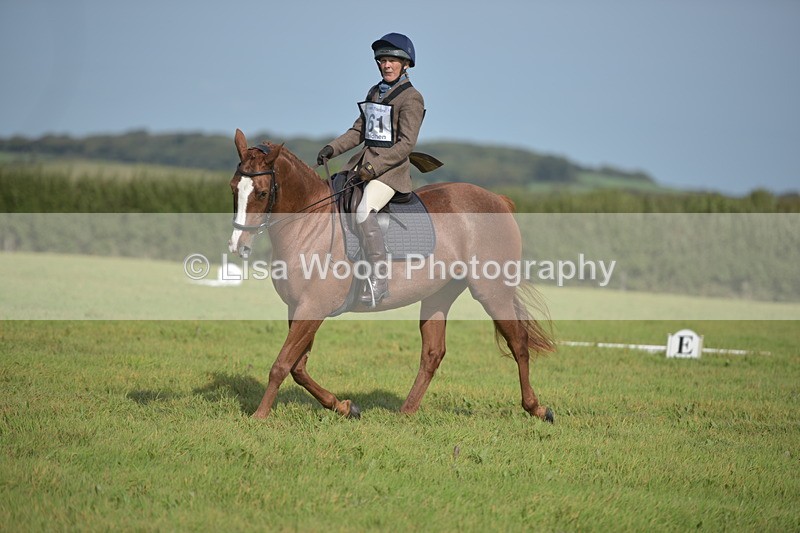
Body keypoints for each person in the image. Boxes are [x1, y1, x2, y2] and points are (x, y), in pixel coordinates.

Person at [317, 32, 425, 307]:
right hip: (362, 166)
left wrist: (374, 166)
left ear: (405, 64)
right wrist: (332, 148)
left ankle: (379, 278)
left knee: (364, 210)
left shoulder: (412, 98)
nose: (386, 65)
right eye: (382, 60)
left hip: (390, 172)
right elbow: (359, 131)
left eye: (392, 60)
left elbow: (406, 144)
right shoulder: (375, 92)